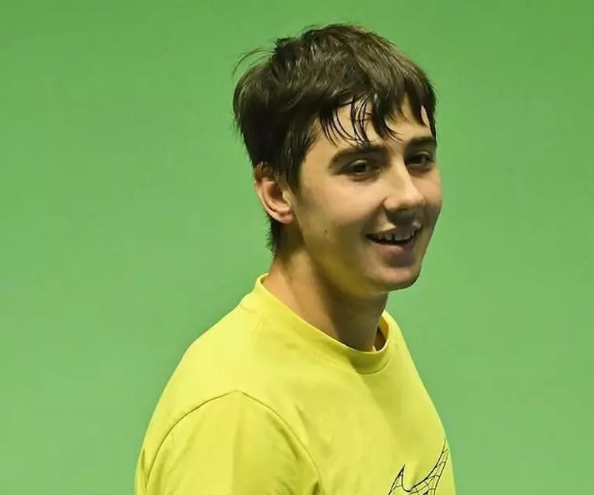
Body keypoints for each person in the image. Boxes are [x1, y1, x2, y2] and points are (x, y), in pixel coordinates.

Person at [134, 23, 456, 495]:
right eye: (361, 167)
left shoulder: (374, 343)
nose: (408, 195)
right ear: (278, 192)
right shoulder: (240, 413)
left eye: (419, 159)